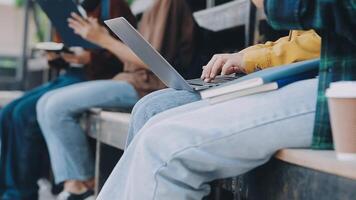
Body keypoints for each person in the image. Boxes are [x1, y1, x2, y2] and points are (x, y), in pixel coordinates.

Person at [96, 0, 356, 198]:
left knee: (162, 144)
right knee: (153, 117)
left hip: (338, 85)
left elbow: (327, 12)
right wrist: (252, 55)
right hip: (322, 75)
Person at [36, 0, 201, 199]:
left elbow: (153, 62)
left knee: (55, 106)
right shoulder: (153, 6)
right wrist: (85, 55)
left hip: (147, 86)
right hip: (130, 80)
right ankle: (75, 184)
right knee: (46, 102)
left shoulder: (169, 3)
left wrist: (103, 39)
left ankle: (84, 185)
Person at [0, 0, 133, 199]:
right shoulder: (69, 9)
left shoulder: (112, 5)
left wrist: (91, 58)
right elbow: (66, 46)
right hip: (70, 74)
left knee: (24, 114)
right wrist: (57, 57)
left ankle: (20, 193)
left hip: (96, 77)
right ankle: (8, 188)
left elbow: (127, 56)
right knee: (8, 111)